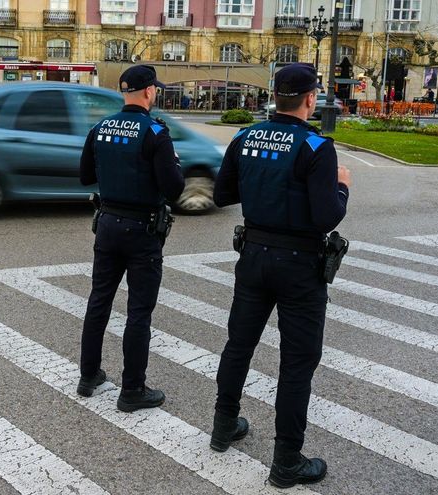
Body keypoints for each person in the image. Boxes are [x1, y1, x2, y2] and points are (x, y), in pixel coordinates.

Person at [208, 63, 351, 488]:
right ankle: (287, 460)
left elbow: (222, 194)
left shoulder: (244, 136)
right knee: (297, 362)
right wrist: (342, 186)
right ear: (311, 98)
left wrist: (261, 188)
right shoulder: (316, 147)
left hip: (253, 255)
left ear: (276, 96)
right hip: (299, 266)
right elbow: (327, 216)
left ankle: (223, 425)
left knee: (239, 344)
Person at [76, 65, 185, 412]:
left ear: (125, 92)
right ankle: (132, 390)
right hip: (142, 231)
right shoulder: (156, 132)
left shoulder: (101, 127)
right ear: (150, 91)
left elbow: (84, 176)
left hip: (107, 224)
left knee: (99, 301)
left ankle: (88, 375)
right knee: (139, 311)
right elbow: (175, 189)